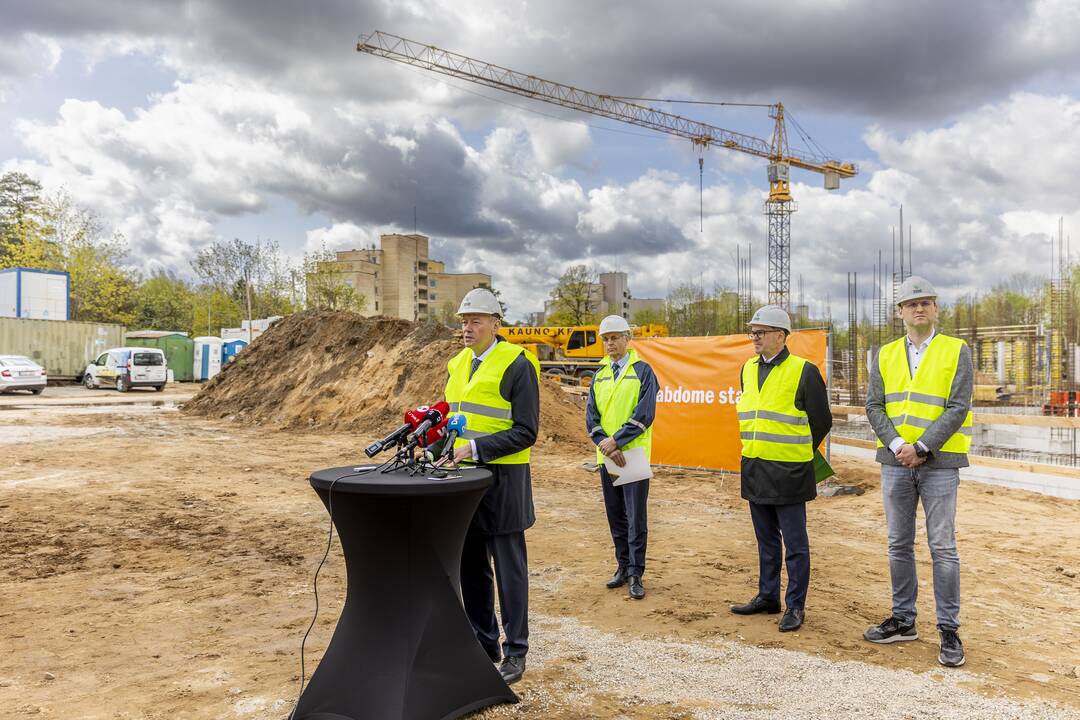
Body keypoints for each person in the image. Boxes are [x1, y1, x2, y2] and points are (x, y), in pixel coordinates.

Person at [863, 275, 973, 668]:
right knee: (898, 544)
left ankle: (948, 629)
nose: (919, 308)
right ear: (901, 313)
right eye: (912, 304)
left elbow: (957, 406)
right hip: (895, 462)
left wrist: (923, 447)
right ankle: (903, 620)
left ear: (936, 308)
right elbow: (874, 405)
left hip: (939, 464)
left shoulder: (956, 350)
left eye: (926, 302)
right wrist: (897, 447)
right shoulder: (885, 354)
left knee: (943, 548)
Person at [445, 287, 540, 685]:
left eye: (475, 321)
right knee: (471, 567)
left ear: (496, 325)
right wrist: (435, 446)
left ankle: (516, 651)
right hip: (466, 481)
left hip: (504, 482)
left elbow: (526, 431)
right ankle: (484, 642)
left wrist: (475, 448)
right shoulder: (456, 364)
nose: (467, 328)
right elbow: (456, 419)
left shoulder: (518, 364)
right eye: (464, 322)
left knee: (509, 570)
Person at [731, 305, 831, 632]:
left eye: (760, 332)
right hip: (756, 467)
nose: (754, 337)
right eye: (753, 332)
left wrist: (796, 450)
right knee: (766, 541)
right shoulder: (747, 368)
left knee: (796, 545)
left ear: (780, 335)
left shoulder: (804, 371)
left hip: (789, 471)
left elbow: (821, 421)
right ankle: (768, 596)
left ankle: (796, 606)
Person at [585, 315, 659, 600]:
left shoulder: (643, 371)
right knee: (615, 515)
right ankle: (622, 566)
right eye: (606, 338)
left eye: (615, 337)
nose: (610, 343)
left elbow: (645, 413)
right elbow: (591, 415)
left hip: (632, 456)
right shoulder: (599, 373)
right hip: (608, 457)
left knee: (634, 518)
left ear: (628, 339)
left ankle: (636, 573)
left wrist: (617, 441)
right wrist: (606, 445)